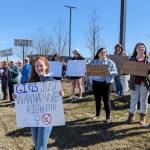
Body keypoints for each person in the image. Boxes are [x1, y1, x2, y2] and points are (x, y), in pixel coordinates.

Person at [29, 56, 64, 150]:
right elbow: (26, 98)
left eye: (41, 65)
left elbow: (56, 100)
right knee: (36, 143)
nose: (39, 68)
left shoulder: (53, 82)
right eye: (36, 66)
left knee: (41, 146)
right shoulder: (31, 82)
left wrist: (60, 94)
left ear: (46, 66)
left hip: (47, 116)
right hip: (34, 116)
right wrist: (17, 96)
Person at [90, 48, 118, 123]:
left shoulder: (110, 62)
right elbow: (89, 70)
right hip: (96, 83)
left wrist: (110, 73)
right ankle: (97, 115)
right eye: (101, 52)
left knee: (106, 101)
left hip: (107, 84)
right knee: (97, 100)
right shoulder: (94, 62)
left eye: (104, 52)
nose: (103, 53)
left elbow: (116, 72)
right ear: (98, 53)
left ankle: (108, 117)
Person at [127, 42, 149, 125]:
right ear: (136, 49)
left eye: (143, 47)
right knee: (133, 100)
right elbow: (127, 69)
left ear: (145, 49)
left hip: (144, 83)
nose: (141, 48)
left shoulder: (148, 59)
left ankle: (142, 118)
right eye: (139, 47)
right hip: (134, 83)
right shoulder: (131, 59)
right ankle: (131, 116)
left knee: (143, 100)